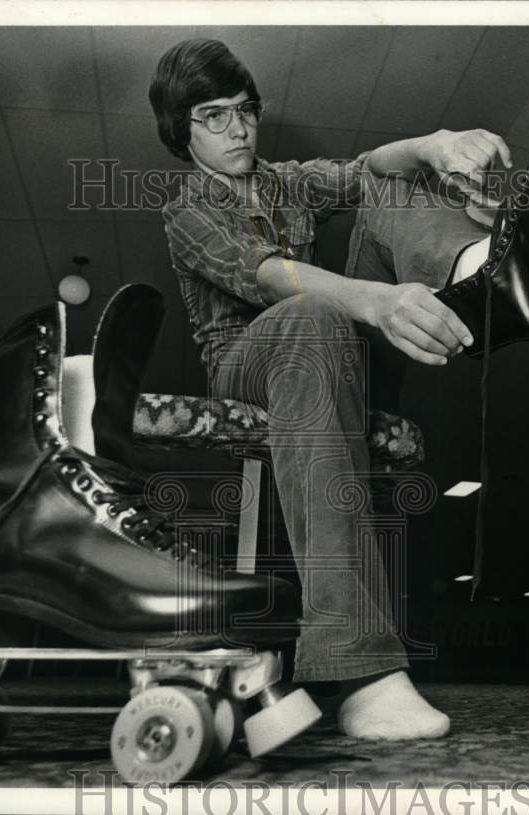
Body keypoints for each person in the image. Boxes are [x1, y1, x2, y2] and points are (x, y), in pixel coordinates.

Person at [149, 38, 510, 741]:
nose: (238, 129)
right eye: (214, 116)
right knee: (314, 312)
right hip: (248, 366)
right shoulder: (185, 207)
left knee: (390, 186)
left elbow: (366, 168)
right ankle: (360, 673)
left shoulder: (284, 180)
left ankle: (475, 268)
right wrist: (372, 300)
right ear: (180, 130)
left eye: (246, 111)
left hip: (332, 355)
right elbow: (265, 276)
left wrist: (433, 144)